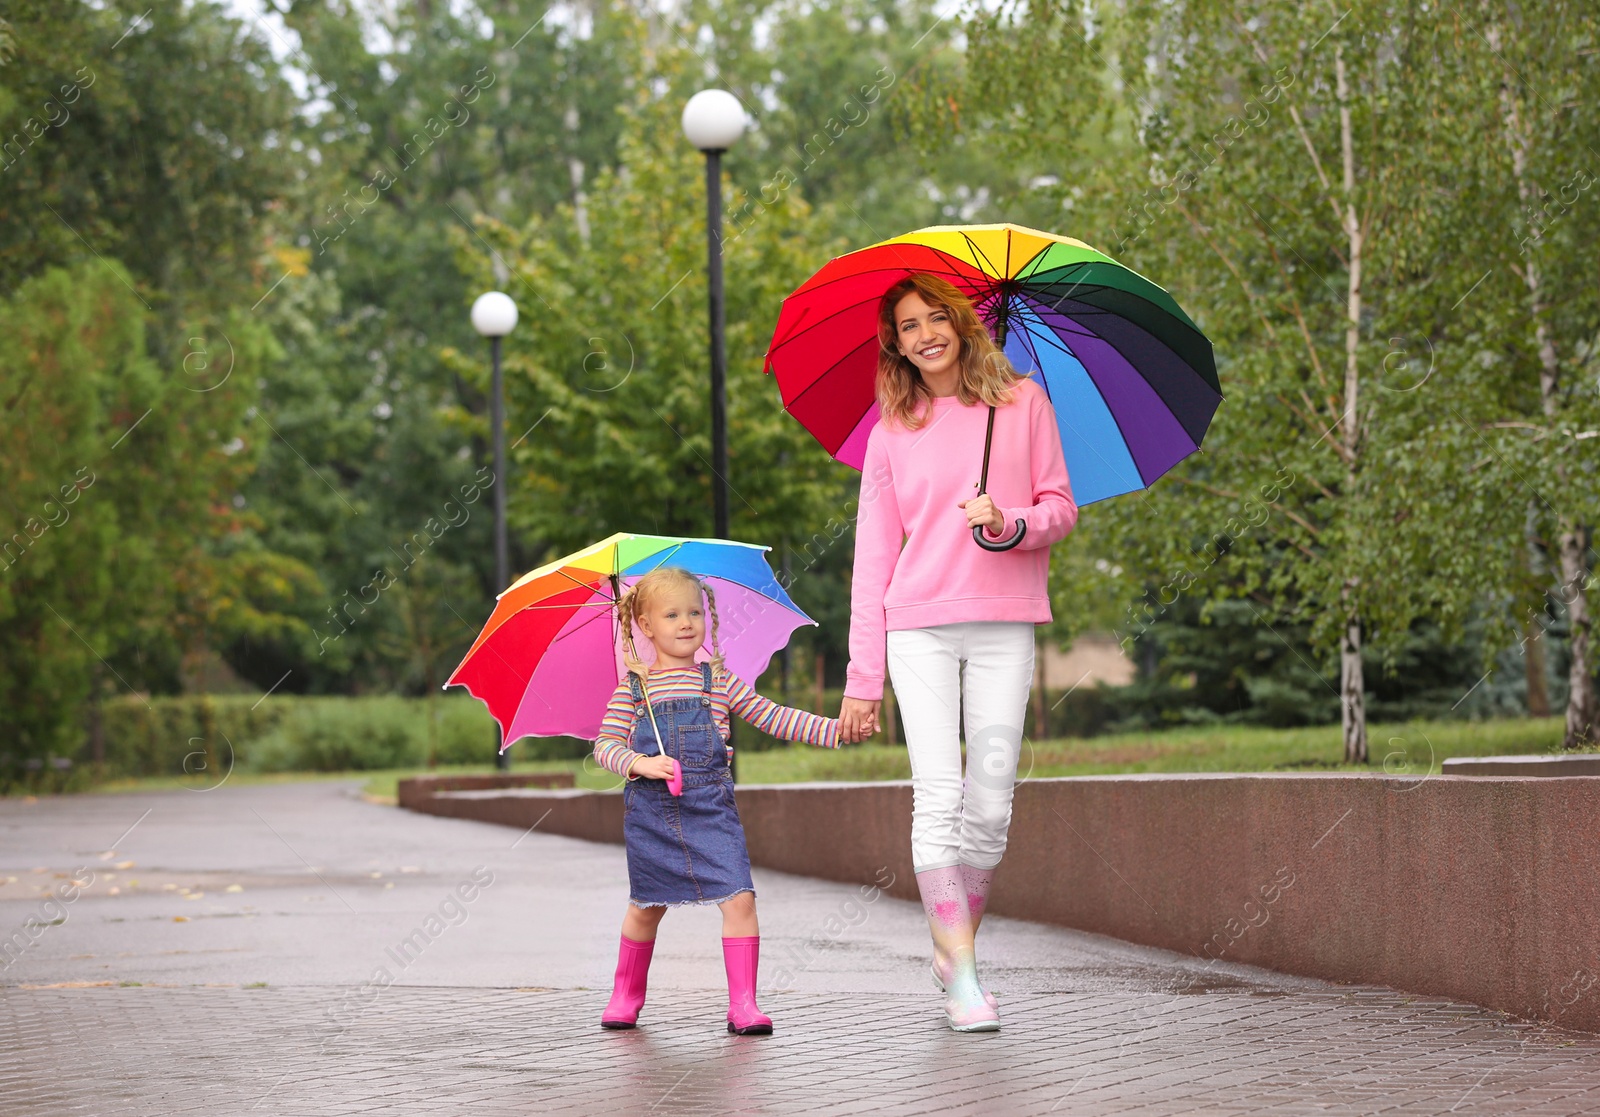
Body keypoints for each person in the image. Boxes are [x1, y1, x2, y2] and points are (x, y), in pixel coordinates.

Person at [839, 273, 1077, 1032]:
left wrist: (1009, 523)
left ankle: (953, 942)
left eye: (936, 317)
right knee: (938, 794)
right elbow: (872, 558)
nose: (924, 334)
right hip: (918, 625)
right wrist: (861, 677)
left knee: (993, 799)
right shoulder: (890, 430)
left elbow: (1060, 507)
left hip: (1005, 617)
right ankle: (964, 975)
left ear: (965, 324)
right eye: (908, 326)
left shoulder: (1024, 404)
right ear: (896, 343)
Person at [592, 565, 847, 1035]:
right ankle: (626, 994)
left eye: (694, 612)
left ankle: (743, 1005)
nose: (686, 623)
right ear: (645, 626)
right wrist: (640, 763)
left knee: (740, 899)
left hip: (710, 808)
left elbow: (774, 717)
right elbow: (604, 747)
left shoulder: (718, 681)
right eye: (671, 615)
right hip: (652, 812)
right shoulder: (632, 689)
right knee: (646, 906)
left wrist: (835, 731)